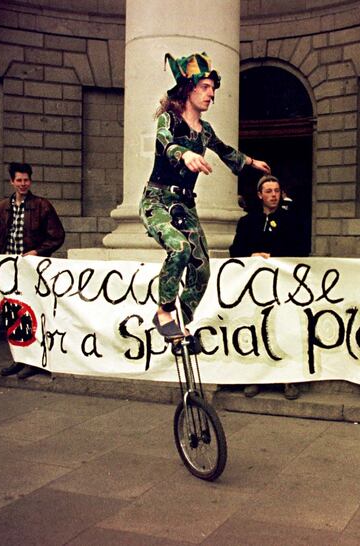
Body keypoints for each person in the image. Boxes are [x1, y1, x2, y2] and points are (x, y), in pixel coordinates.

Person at [140, 52, 270, 341]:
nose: (212, 94)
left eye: (213, 88)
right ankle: (164, 312)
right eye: (205, 88)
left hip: (185, 206)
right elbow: (165, 143)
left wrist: (250, 162)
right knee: (180, 249)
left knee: (202, 269)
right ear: (189, 89)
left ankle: (182, 324)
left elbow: (224, 150)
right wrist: (183, 153)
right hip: (157, 201)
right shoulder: (169, 120)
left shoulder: (205, 130)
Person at [0, 162, 65, 379]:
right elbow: (2, 238)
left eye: (26, 180)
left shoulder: (42, 205)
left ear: (30, 181)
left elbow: (57, 236)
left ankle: (37, 361)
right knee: (14, 313)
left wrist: (37, 251)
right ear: (12, 181)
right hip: (10, 270)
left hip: (32, 269)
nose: (23, 184)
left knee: (34, 312)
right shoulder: (2, 207)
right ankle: (20, 358)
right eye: (19, 180)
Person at [229, 174, 302, 399]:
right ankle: (255, 377)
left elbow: (300, 249)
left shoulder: (292, 220)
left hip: (282, 285)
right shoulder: (247, 221)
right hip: (256, 286)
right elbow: (235, 250)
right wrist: (252, 255)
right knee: (257, 329)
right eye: (268, 191)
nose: (273, 195)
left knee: (284, 329)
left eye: (276, 191)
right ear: (260, 195)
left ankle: (288, 379)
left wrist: (273, 256)